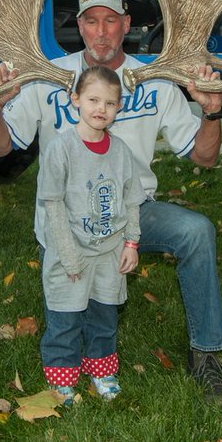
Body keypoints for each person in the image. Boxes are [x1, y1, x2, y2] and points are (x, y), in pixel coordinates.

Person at [0, 0, 222, 400]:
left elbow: (204, 158)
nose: (101, 31)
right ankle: (75, 362)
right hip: (69, 222)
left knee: (196, 231)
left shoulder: (155, 81)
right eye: (91, 21)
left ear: (126, 24)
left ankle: (207, 353)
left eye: (111, 21)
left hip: (131, 213)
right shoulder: (48, 79)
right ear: (79, 27)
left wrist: (212, 113)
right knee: (75, 322)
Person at [37, 66, 144, 404]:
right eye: (93, 100)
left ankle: (101, 370)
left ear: (119, 108)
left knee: (104, 314)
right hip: (72, 249)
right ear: (75, 100)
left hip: (110, 252)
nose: (101, 109)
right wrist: (68, 256)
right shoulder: (62, 148)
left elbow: (131, 200)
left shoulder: (121, 151)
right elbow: (53, 205)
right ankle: (62, 376)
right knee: (65, 315)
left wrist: (131, 242)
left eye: (110, 103)